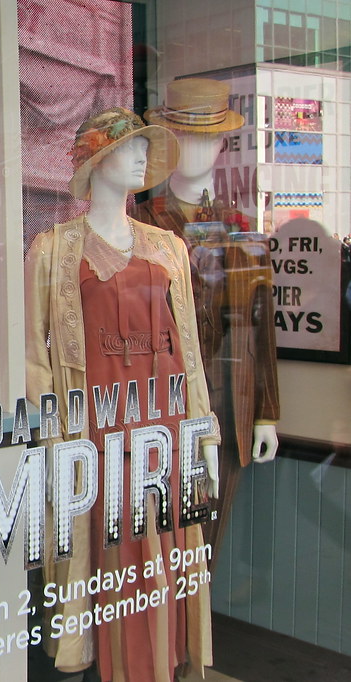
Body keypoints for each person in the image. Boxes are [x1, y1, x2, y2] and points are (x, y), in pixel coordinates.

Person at [26, 108, 218, 682]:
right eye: (131, 147)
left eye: (144, 148)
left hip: (167, 428)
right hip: (100, 437)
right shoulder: (54, 250)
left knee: (166, 554)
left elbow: (189, 348)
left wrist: (203, 428)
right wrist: (52, 440)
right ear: (96, 160)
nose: (142, 158)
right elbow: (36, 357)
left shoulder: (169, 249)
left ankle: (162, 663)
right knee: (114, 560)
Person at [134, 78, 280, 556]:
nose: (195, 150)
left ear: (221, 144)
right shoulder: (138, 225)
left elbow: (261, 329)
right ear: (168, 143)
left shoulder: (242, 234)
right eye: (184, 138)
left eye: (206, 137)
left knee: (207, 549)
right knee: (157, 547)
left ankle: (196, 631)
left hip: (228, 410)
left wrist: (265, 414)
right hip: (159, 410)